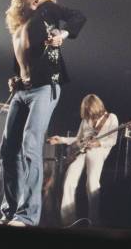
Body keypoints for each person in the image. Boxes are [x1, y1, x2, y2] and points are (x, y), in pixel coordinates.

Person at [0, 0, 86, 227]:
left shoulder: (48, 11)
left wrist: (63, 34)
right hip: (22, 92)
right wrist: (16, 78)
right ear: (22, 0)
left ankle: (27, 216)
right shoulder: (19, 27)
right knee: (7, 150)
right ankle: (10, 212)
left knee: (31, 143)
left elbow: (78, 16)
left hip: (45, 87)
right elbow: (23, 63)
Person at [48, 94, 118, 226]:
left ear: (96, 106)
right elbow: (78, 139)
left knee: (92, 183)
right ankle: (67, 220)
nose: (88, 112)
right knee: (69, 181)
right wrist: (61, 139)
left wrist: (97, 144)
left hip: (98, 151)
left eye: (89, 108)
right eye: (86, 109)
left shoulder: (111, 117)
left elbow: (112, 140)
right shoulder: (85, 120)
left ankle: (94, 221)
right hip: (82, 151)